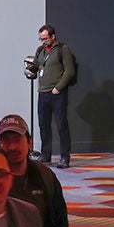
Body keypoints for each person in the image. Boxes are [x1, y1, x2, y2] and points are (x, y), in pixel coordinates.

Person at [0, 113, 69, 227]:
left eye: (17, 140)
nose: (12, 147)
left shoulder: (45, 177)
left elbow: (59, 223)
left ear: (29, 142)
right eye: (6, 141)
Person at [33, 24, 76, 169]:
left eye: (45, 38)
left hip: (57, 94)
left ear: (53, 36)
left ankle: (65, 157)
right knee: (43, 125)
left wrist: (58, 88)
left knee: (61, 125)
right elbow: (35, 66)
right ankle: (46, 155)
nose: (43, 41)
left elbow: (69, 72)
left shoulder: (63, 50)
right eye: (41, 39)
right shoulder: (40, 51)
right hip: (42, 93)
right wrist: (30, 69)